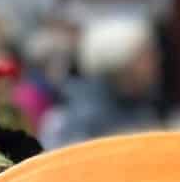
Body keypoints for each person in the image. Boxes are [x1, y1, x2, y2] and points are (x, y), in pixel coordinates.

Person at [40, 15, 162, 149]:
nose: (156, 62)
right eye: (146, 56)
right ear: (121, 60)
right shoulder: (74, 119)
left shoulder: (142, 109)